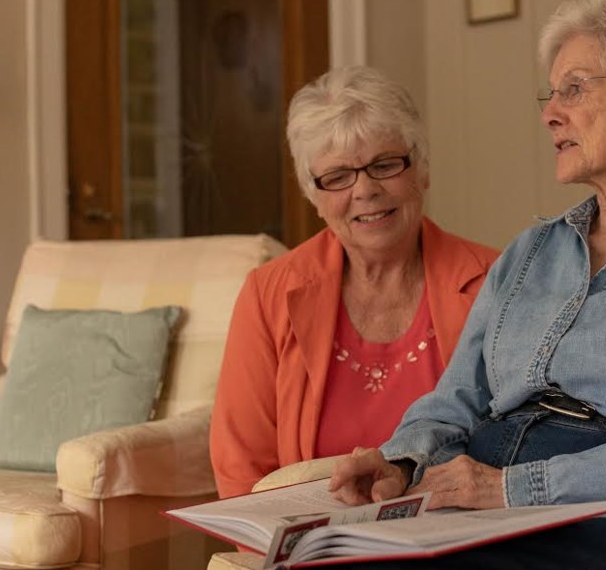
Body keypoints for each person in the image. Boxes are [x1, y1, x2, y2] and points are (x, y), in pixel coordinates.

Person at [265, 0, 606, 570]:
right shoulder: (530, 253)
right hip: (484, 493)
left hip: (604, 519)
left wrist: (510, 488)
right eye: (552, 92)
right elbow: (457, 399)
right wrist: (400, 460)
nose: (550, 112)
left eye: (575, 88)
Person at [209, 66, 500, 499]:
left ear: (421, 169)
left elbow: (516, 440)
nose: (365, 190)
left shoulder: (494, 282)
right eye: (339, 177)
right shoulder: (268, 294)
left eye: (384, 165)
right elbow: (241, 468)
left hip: (454, 534)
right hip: (310, 540)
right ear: (315, 195)